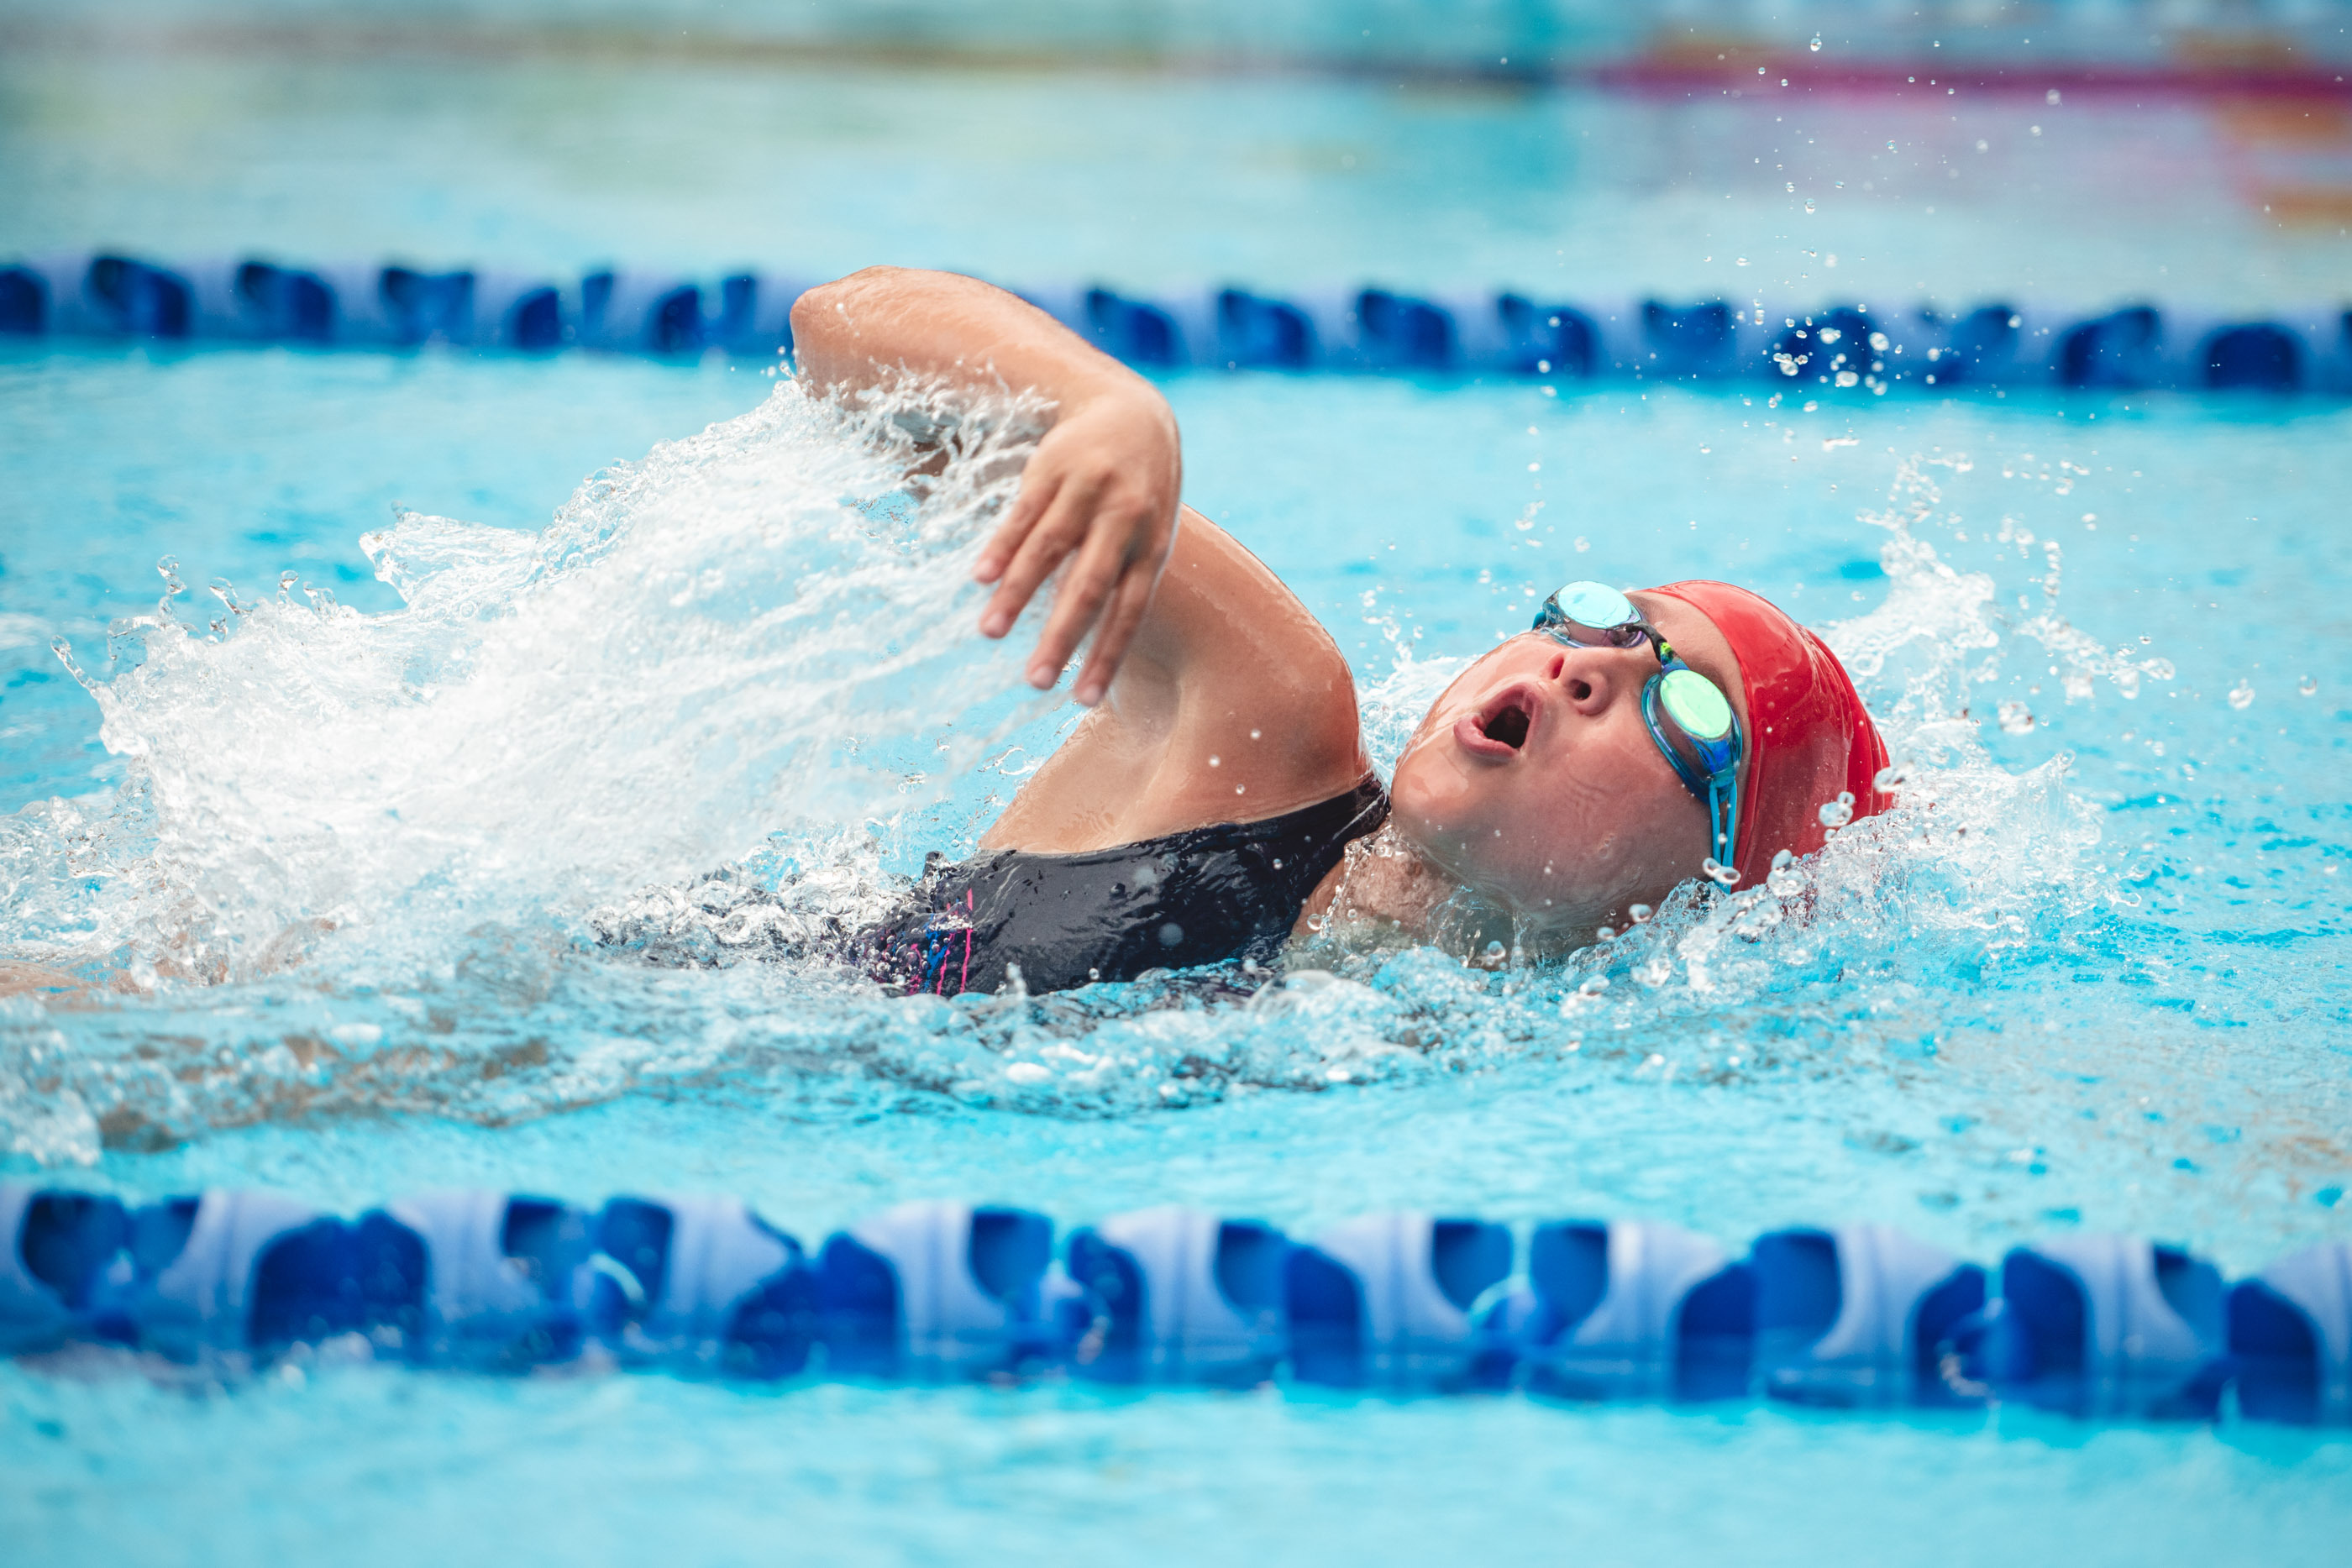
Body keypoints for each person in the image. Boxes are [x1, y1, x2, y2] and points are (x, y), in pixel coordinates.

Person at [782, 267, 1893, 999]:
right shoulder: (1262, 724)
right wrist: (1097, 405)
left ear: (1707, 892)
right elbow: (837, 331)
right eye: (1603, 618)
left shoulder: (1481, 1075)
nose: (1589, 665)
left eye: (1683, 706)